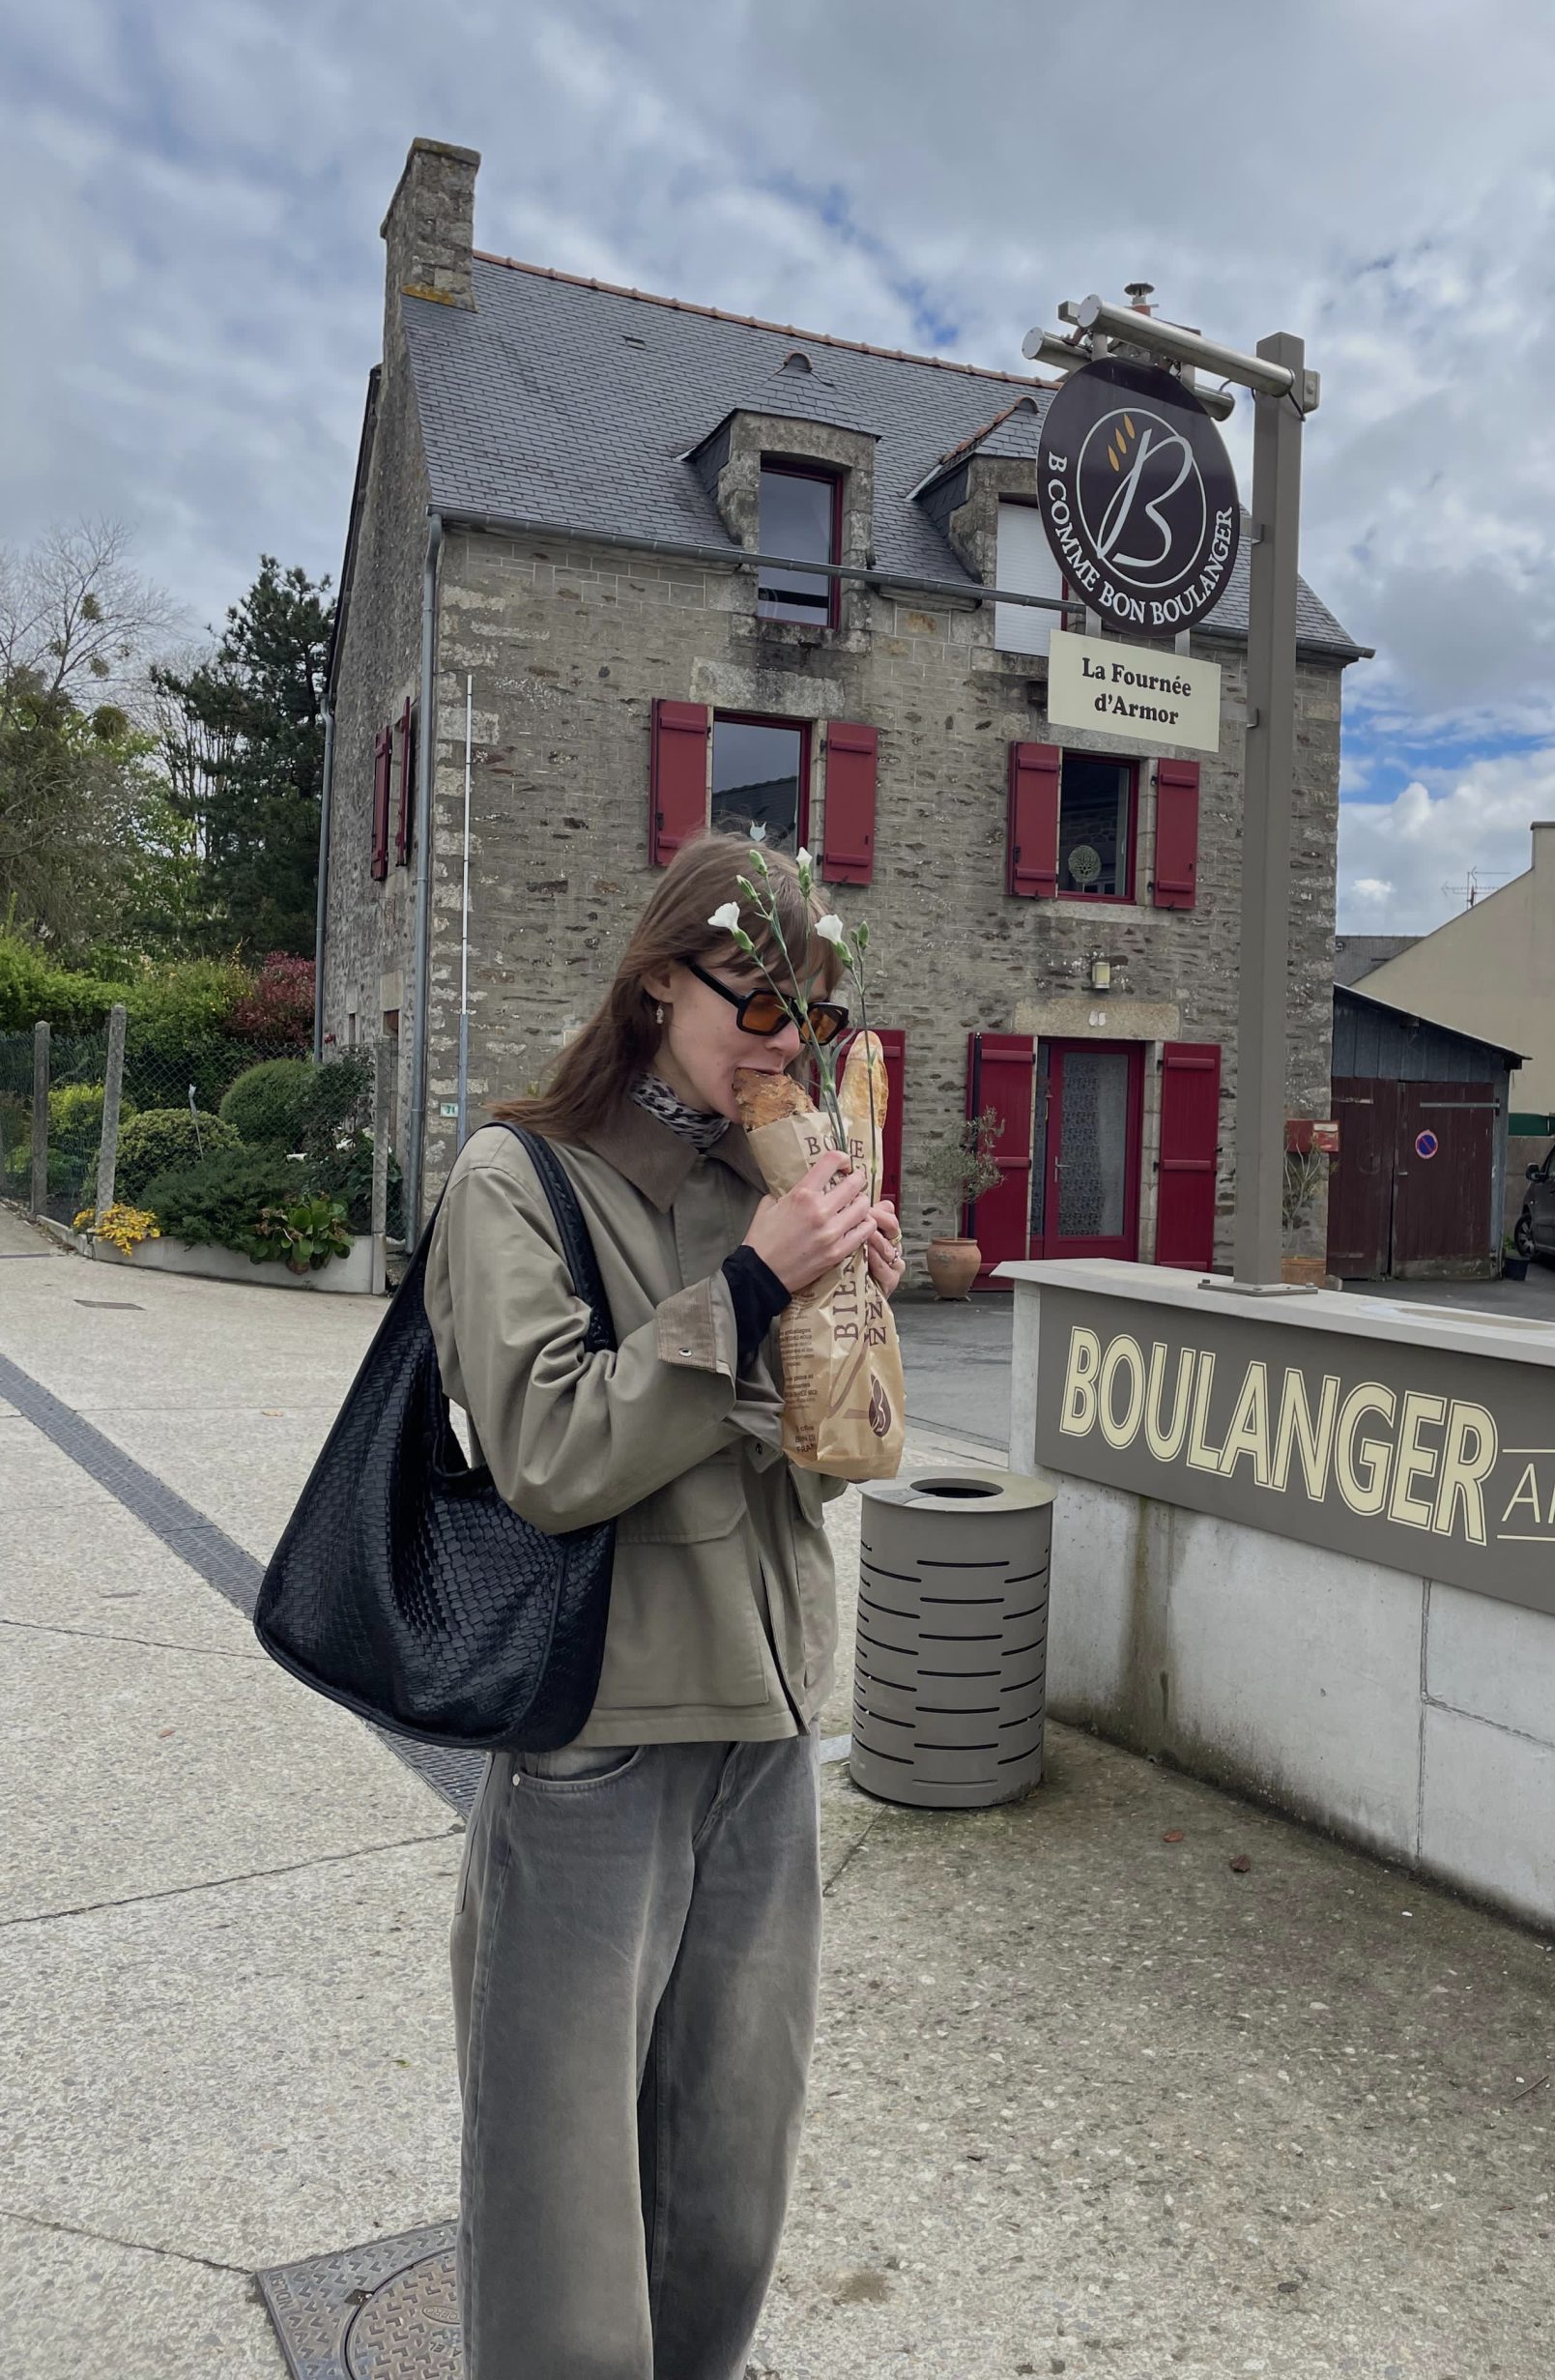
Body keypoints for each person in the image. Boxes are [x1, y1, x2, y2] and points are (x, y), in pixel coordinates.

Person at [426, 830, 905, 2379]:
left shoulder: (762, 1174)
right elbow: (552, 1453)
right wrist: (760, 1290)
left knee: (726, 2183)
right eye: (758, 1008)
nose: (788, 1050)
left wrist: (847, 1321)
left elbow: (817, 1484)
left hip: (766, 1737)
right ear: (654, 984)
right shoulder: (519, 1177)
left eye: (813, 1019)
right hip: (599, 1751)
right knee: (563, 2211)